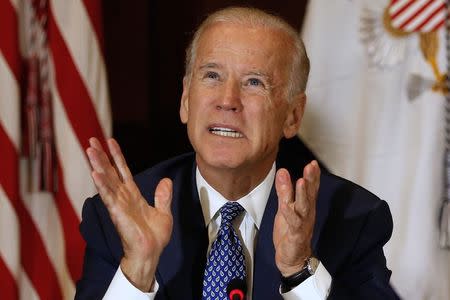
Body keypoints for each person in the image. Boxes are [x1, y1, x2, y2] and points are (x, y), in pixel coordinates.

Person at [75, 7, 399, 300]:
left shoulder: (353, 218)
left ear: (293, 116)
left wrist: (300, 269)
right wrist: (137, 269)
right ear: (186, 99)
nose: (227, 100)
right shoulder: (118, 218)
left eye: (254, 82)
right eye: (212, 76)